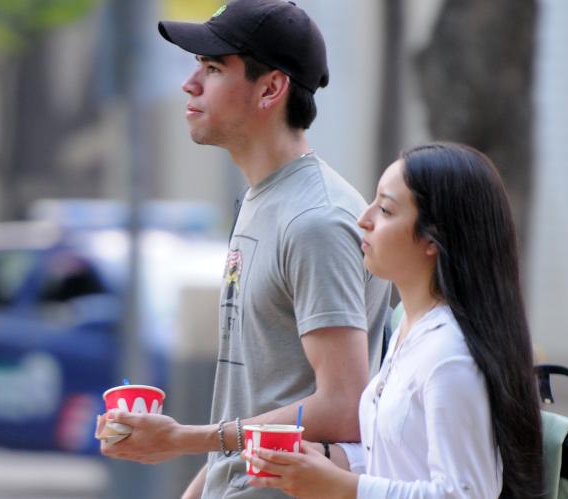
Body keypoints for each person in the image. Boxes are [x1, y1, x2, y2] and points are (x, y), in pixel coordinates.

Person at [97, 1, 391, 497]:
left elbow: (344, 405)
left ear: (271, 88)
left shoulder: (315, 220)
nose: (190, 84)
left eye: (212, 68)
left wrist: (182, 439)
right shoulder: (264, 198)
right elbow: (257, 392)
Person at [243, 143, 543, 498]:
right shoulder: (412, 329)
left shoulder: (449, 355)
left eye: (385, 209)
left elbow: (465, 494)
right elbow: (397, 461)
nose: (364, 219)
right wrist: (324, 459)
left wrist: (345, 488)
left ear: (433, 238)